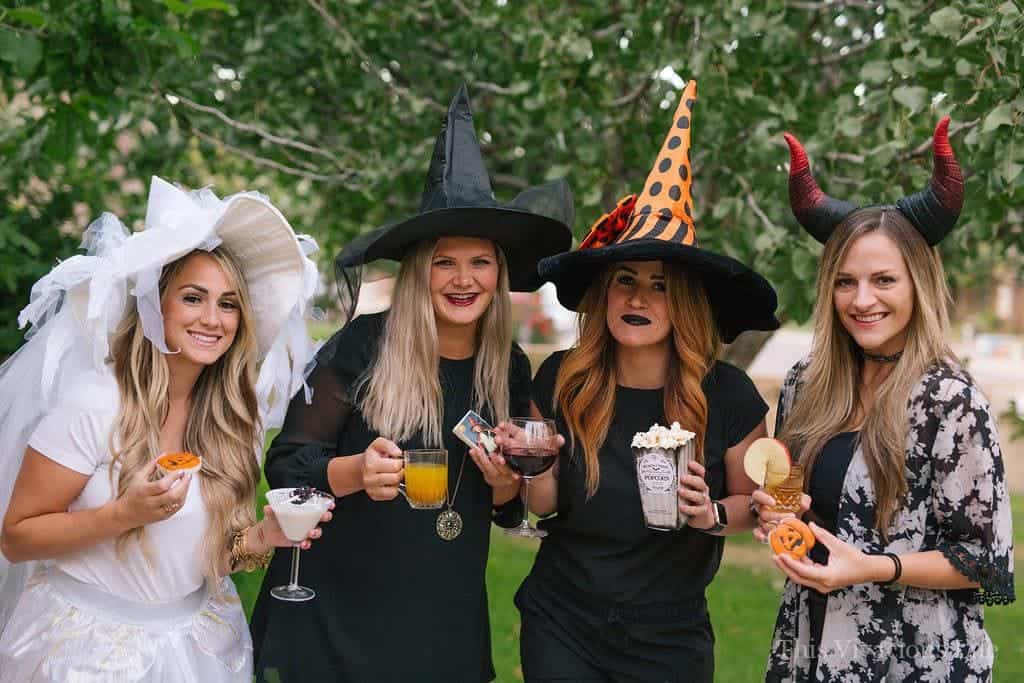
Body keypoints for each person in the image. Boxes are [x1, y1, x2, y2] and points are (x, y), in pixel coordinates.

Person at [248, 85, 574, 683]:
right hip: (338, 612)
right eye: (444, 261)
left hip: (442, 619)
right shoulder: (362, 345)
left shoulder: (508, 367)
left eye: (479, 262)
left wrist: (505, 488)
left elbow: (505, 510)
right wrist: (353, 472)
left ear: (498, 274)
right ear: (420, 270)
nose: (462, 278)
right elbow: (288, 464)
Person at [0, 177, 330, 682]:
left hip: (197, 648)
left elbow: (207, 559)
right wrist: (122, 514)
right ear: (158, 305)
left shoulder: (231, 418)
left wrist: (265, 535)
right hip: (87, 654)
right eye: (193, 298)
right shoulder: (95, 402)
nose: (212, 319)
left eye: (228, 304)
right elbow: (17, 538)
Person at [512, 79, 781, 682]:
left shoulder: (728, 392)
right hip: (563, 619)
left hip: (670, 634)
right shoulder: (561, 378)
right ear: (604, 292)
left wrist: (708, 512)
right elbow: (545, 501)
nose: (638, 297)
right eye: (625, 280)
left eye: (660, 285)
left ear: (682, 302)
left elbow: (753, 505)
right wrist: (530, 468)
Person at [754, 118, 1015, 681]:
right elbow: (789, 492)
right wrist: (776, 512)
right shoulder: (807, 381)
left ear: (918, 284)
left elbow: (985, 562)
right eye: (845, 281)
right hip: (811, 646)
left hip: (917, 658)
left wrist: (871, 567)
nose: (861, 300)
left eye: (883, 280)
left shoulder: (950, 400)